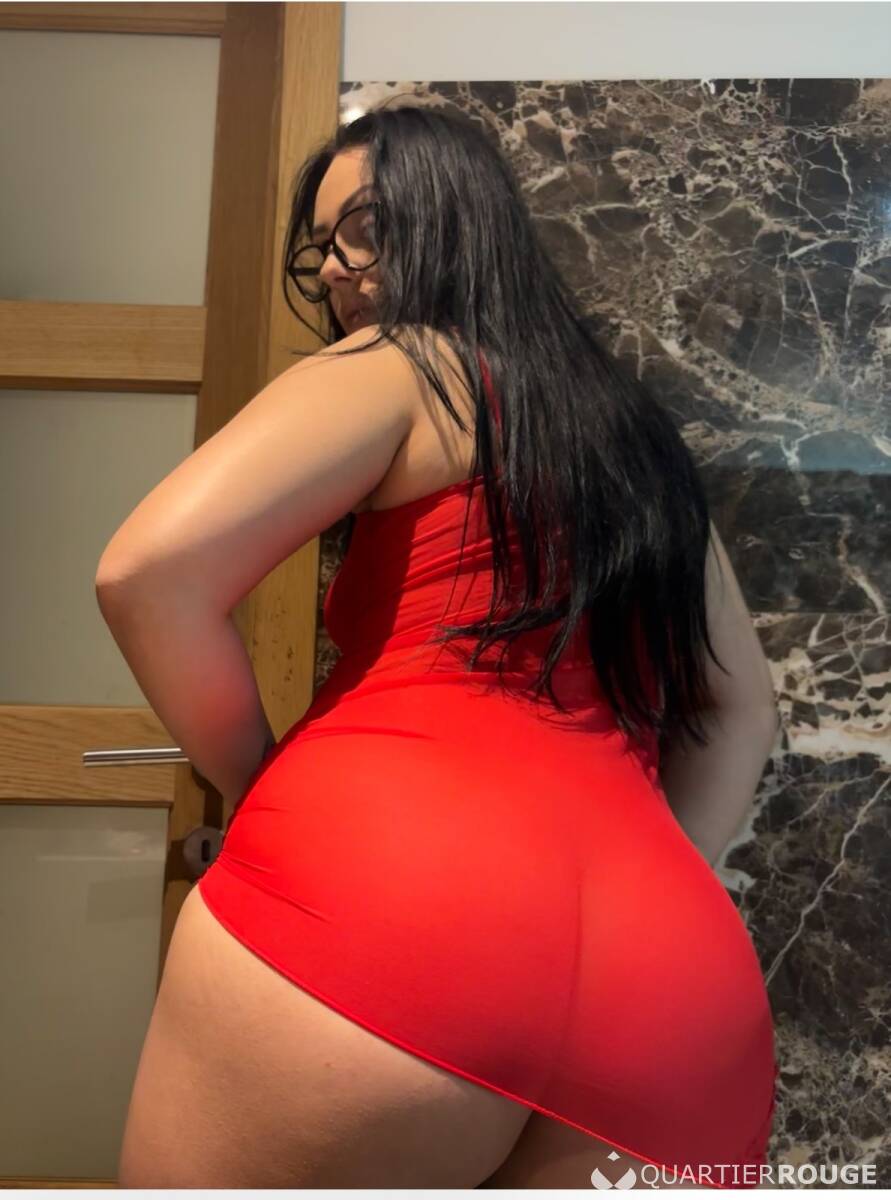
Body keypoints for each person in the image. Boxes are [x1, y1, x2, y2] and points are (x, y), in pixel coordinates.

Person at [113, 102, 780, 1189]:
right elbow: (741, 707)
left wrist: (254, 783)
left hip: (383, 894)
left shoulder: (400, 364)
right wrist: (657, 887)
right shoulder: (634, 436)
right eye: (322, 246)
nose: (338, 269)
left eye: (365, 228)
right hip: (671, 980)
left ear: (455, 221)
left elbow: (148, 574)